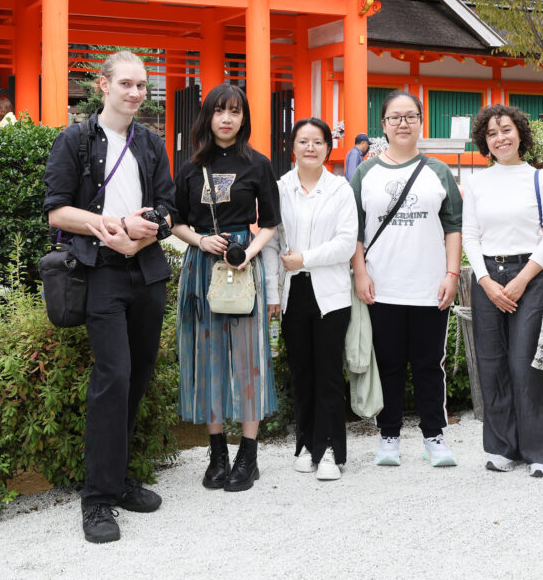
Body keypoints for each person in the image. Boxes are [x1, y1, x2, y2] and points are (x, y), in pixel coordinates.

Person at [43, 51, 175, 543]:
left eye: (142, 85)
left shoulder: (151, 142)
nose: (136, 93)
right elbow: (57, 212)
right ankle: (97, 500)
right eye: (127, 84)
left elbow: (167, 205)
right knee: (112, 376)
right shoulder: (74, 140)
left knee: (138, 375)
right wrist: (110, 226)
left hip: (146, 271)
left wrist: (146, 231)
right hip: (100, 273)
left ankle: (118, 483)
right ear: (103, 85)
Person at [171, 83, 280, 493]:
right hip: (202, 268)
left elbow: (270, 222)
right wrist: (200, 240)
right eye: (220, 111)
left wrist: (248, 252)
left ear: (243, 118)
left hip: (241, 268)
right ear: (208, 116)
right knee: (208, 360)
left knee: (248, 359)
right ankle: (217, 454)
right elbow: (175, 220)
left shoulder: (258, 164)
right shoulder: (188, 166)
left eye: (235, 111)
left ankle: (248, 456)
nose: (227, 119)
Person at [351, 90, 463, 468]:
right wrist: (360, 273)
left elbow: (453, 226)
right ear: (383, 125)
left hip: (430, 285)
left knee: (430, 363)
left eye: (410, 116)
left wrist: (451, 273)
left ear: (420, 122)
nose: (403, 123)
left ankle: (434, 435)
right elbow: (356, 230)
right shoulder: (366, 172)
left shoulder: (439, 172)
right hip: (382, 284)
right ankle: (389, 435)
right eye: (395, 117)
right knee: (389, 363)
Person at [462, 104, 543, 478]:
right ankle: (502, 447)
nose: (500, 138)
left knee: (525, 364)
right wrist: (486, 280)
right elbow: (470, 234)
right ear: (483, 141)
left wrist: (521, 280)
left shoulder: (540, 179)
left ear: (519, 133)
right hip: (487, 273)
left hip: (530, 273)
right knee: (492, 363)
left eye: (506, 130)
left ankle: (539, 450)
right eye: (491, 133)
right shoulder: (476, 181)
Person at [264, 118, 357, 481]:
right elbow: (271, 241)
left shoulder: (340, 189)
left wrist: (305, 258)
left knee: (329, 373)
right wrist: (273, 291)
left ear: (327, 148)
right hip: (292, 292)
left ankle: (331, 448)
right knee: (301, 372)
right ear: (293, 147)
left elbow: (346, 242)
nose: (311, 148)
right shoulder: (280, 187)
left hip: (330, 293)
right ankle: (305, 443)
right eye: (303, 141)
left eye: (318, 142)